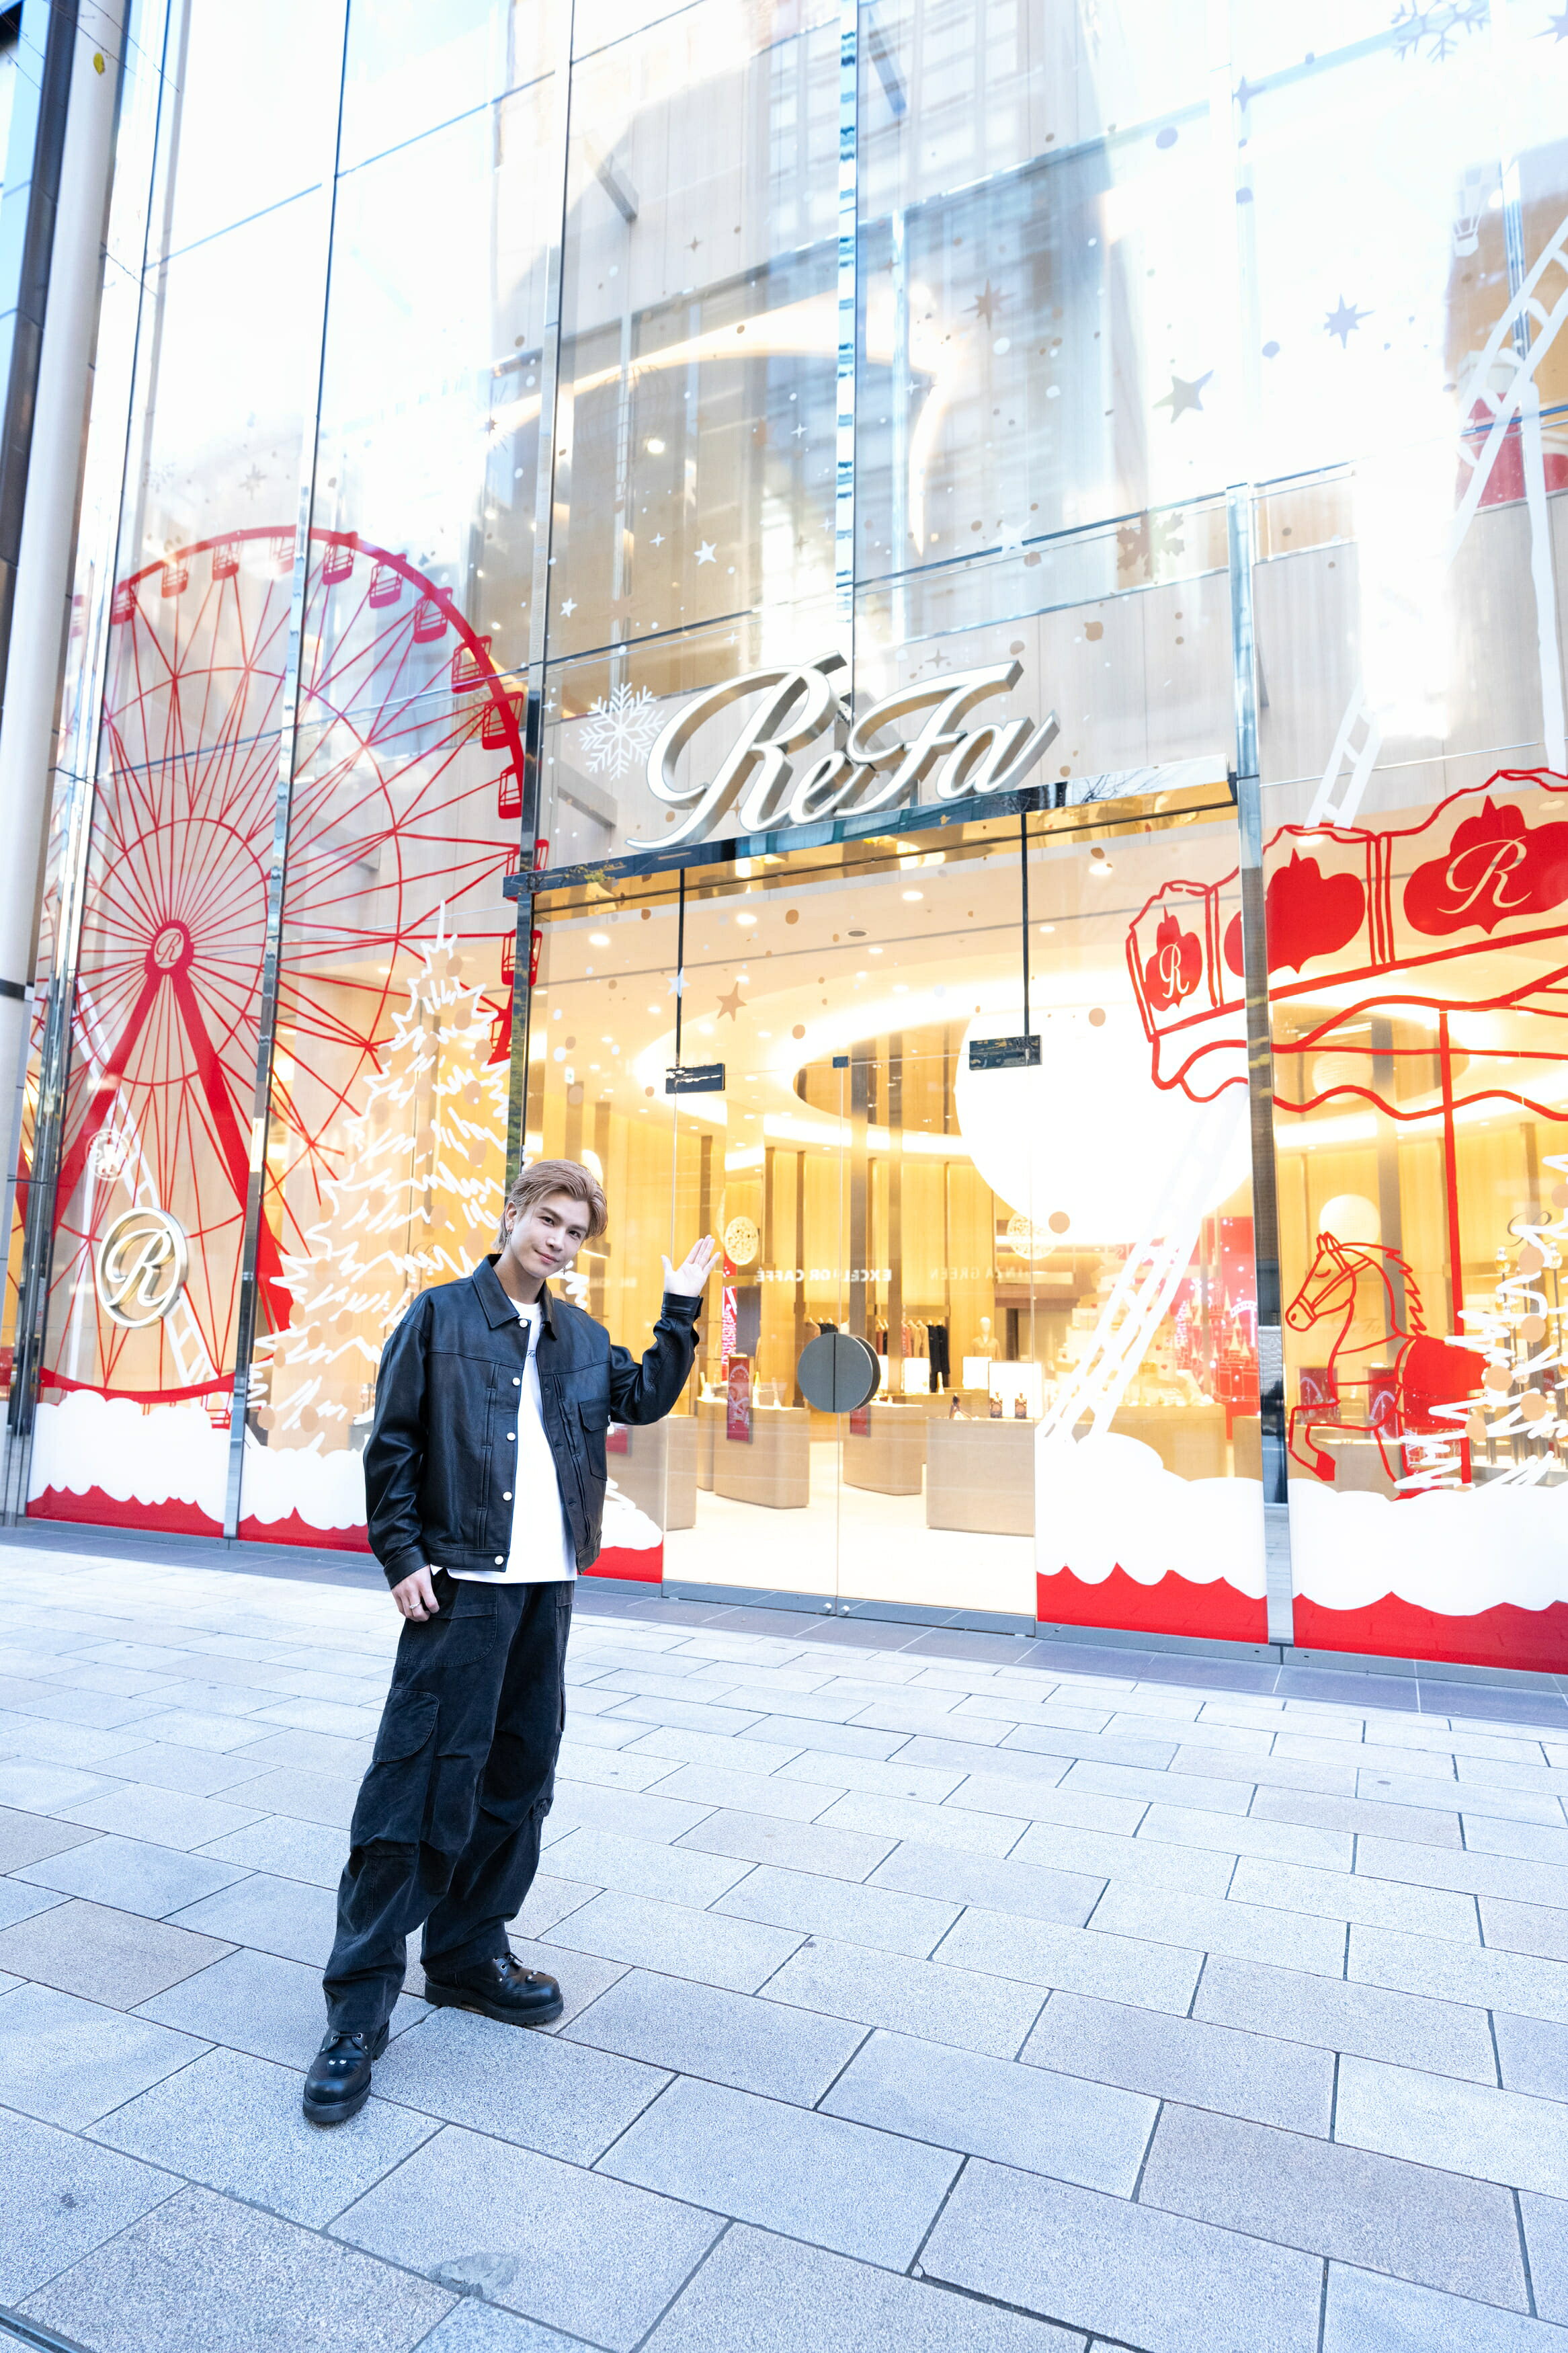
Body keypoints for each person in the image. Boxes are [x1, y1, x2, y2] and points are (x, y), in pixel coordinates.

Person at [303, 1157, 716, 2125]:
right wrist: (401, 1552)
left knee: (519, 1777)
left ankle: (466, 1956)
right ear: (514, 1215)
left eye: (575, 1232)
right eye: (548, 1220)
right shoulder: (440, 1317)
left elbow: (642, 1399)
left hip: (545, 1591)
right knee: (414, 1789)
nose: (557, 1242)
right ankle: (356, 2013)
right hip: (460, 1589)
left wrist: (680, 1310)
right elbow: (393, 1442)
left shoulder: (581, 1339)